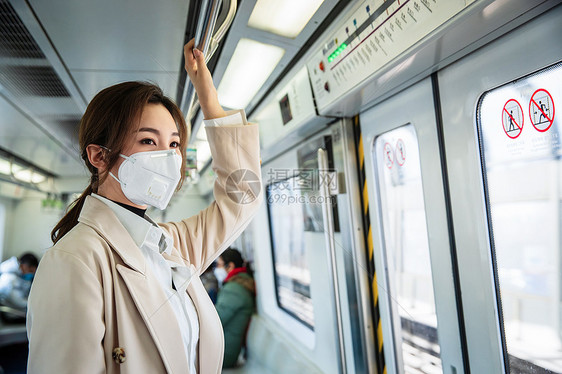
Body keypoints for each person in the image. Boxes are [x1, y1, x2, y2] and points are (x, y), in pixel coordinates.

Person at [26, 39, 262, 374]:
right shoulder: (74, 261)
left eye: (174, 143)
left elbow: (242, 197)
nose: (168, 157)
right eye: (148, 140)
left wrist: (208, 98)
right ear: (99, 156)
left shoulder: (169, 246)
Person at [214, 248, 256, 368]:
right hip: (224, 347)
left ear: (230, 266)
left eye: (219, 264)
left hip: (224, 353)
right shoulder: (238, 284)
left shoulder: (234, 290)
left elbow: (216, 320)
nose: (216, 269)